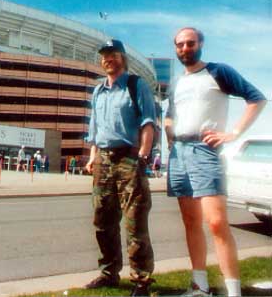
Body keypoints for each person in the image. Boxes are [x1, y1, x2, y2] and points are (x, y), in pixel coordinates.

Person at [165, 27, 266, 297]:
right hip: (179, 153)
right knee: (190, 221)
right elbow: (170, 114)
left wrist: (233, 133)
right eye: (179, 45)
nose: (185, 48)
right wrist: (170, 136)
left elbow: (256, 98)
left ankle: (233, 291)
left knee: (217, 222)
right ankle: (200, 285)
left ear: (200, 44)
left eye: (190, 43)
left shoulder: (219, 71)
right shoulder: (177, 82)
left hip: (205, 150)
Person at [85, 39, 156, 297]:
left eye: (113, 54)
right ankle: (108, 273)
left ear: (122, 58)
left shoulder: (137, 86)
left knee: (135, 222)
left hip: (129, 158)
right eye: (104, 55)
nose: (108, 59)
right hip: (103, 159)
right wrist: (93, 157)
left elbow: (148, 122)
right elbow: (95, 129)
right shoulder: (98, 92)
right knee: (102, 221)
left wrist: (143, 156)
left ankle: (142, 281)